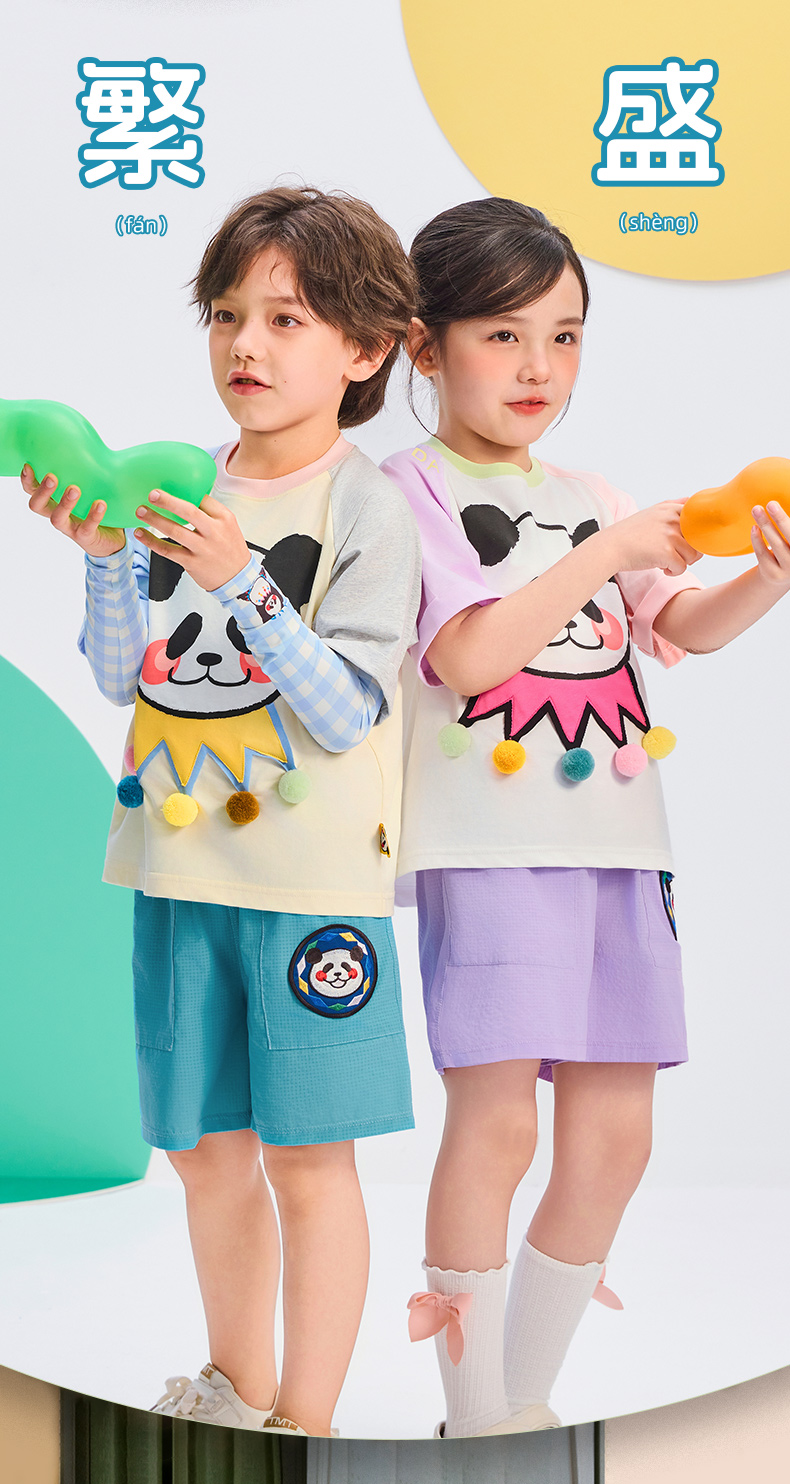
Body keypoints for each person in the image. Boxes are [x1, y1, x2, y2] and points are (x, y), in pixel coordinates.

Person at [380, 196, 790, 1438]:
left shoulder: (589, 489)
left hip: (623, 851)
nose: (537, 368)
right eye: (503, 335)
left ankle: (522, 1398)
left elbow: (675, 628)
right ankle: (474, 1417)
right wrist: (603, 550)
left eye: (563, 337)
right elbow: (467, 655)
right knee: (498, 1123)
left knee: (614, 1138)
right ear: (424, 345)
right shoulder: (405, 493)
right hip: (489, 851)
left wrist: (764, 580)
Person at [23, 185, 421, 1439]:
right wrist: (103, 555)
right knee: (203, 1149)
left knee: (309, 1157)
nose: (245, 344)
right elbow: (120, 675)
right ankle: (237, 1392)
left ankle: (309, 1421)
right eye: (226, 314)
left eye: (286, 319)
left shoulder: (369, 507)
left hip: (310, 889)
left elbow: (347, 710)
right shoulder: (178, 485)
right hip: (176, 865)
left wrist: (242, 579)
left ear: (364, 349)